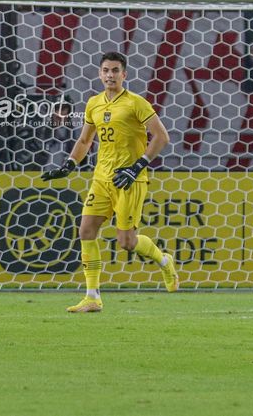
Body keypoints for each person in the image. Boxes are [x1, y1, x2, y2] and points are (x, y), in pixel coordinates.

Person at [41, 52, 178, 313]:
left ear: (124, 75)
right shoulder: (94, 103)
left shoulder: (136, 103)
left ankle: (163, 260)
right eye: (106, 70)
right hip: (102, 178)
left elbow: (161, 137)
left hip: (130, 180)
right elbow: (84, 141)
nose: (110, 75)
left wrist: (137, 166)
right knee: (86, 231)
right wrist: (69, 165)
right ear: (100, 73)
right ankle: (92, 297)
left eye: (115, 70)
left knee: (126, 241)